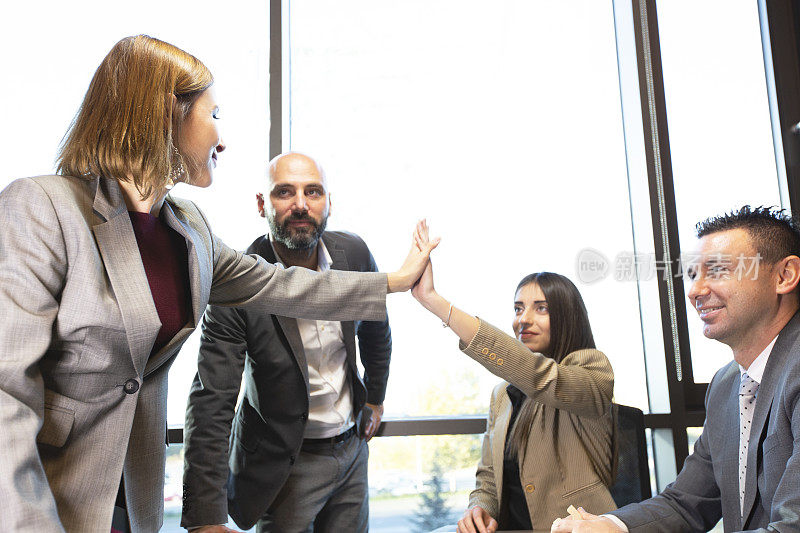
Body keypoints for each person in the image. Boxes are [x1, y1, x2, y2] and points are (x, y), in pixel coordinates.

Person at [0, 35, 436, 533]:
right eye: (214, 115)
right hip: (48, 497)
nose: (221, 139)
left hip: (131, 501)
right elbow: (6, 393)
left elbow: (287, 287)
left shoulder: (189, 228)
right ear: (166, 113)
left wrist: (396, 281)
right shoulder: (42, 208)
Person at [551, 206, 800, 533]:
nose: (695, 290)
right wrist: (611, 525)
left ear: (784, 276)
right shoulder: (727, 384)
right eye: (694, 274)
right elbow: (686, 503)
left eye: (719, 270)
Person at [181, 152, 391, 532]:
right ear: (262, 204)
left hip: (351, 451)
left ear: (328, 203)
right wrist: (205, 517)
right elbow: (212, 398)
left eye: (313, 192)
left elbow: (378, 332)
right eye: (284, 192)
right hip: (284, 467)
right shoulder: (237, 282)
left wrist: (375, 397)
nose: (300, 205)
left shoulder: (354, 254)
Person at [411, 223, 617, 533]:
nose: (523, 320)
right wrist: (480, 508)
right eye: (518, 308)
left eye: (541, 308)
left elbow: (539, 376)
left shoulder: (593, 369)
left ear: (566, 316)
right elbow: (489, 477)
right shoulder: (502, 395)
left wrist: (435, 302)